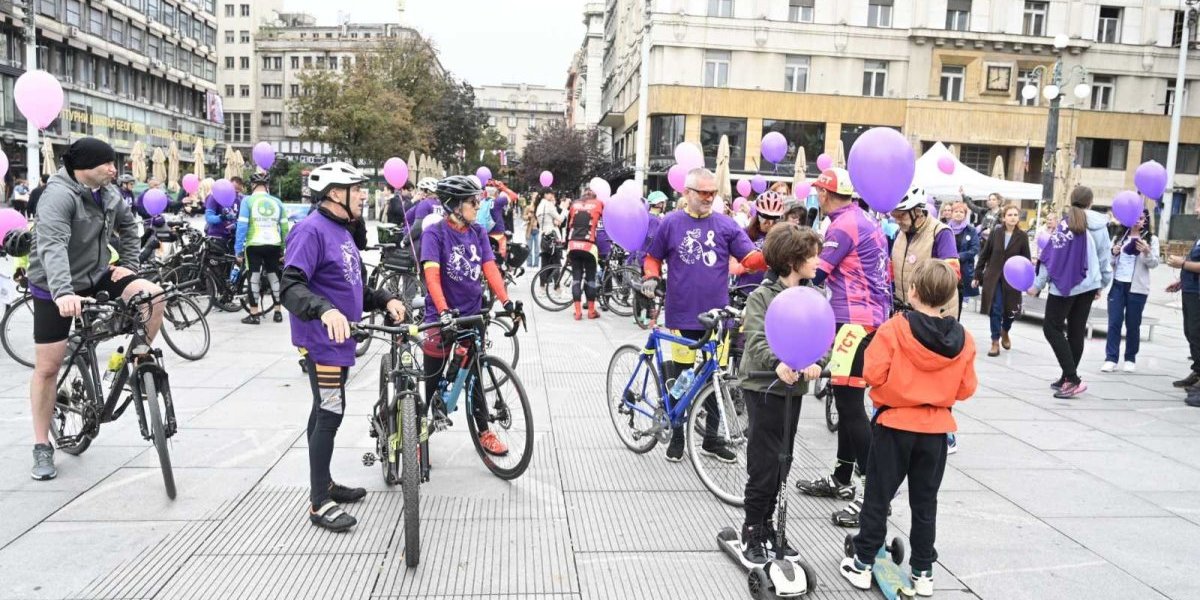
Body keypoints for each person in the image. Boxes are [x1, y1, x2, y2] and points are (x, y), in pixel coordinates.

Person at [24, 137, 164, 481]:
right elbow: (52, 244)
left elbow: (130, 227)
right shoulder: (58, 195)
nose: (114, 169)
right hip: (53, 286)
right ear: (84, 166)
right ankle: (42, 445)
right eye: (107, 163)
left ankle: (139, 354)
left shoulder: (110, 193)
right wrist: (62, 292)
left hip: (97, 274)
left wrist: (129, 265)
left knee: (153, 296)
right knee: (48, 367)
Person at [279, 161, 407, 532]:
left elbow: (350, 287)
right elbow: (290, 286)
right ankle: (319, 502)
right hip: (322, 339)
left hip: (341, 338)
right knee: (331, 411)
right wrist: (325, 310)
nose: (364, 194)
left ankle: (325, 482)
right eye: (357, 188)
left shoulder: (341, 230)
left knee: (324, 410)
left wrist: (384, 299)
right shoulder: (310, 230)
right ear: (336, 193)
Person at [840, 260, 977, 597]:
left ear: (913, 291)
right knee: (924, 502)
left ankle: (863, 564)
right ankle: (923, 572)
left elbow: (873, 373)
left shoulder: (894, 329)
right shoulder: (964, 338)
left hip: (895, 424)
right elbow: (966, 389)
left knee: (877, 496)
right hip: (936, 431)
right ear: (948, 297)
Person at [641, 167, 766, 462]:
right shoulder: (670, 223)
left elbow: (749, 258)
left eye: (714, 193)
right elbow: (652, 257)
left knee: (716, 379)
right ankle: (676, 434)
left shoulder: (726, 225)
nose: (710, 198)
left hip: (717, 318)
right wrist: (650, 275)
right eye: (704, 193)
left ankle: (711, 439)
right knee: (680, 378)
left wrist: (776, 253)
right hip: (680, 315)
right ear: (687, 193)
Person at [794, 168, 892, 528]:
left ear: (824, 193)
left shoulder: (842, 225)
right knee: (843, 398)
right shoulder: (863, 218)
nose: (817, 196)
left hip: (855, 321)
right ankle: (842, 477)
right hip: (865, 318)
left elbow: (817, 273)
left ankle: (873, 496)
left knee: (850, 406)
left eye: (819, 190)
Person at [738, 223, 825, 564]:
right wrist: (777, 362)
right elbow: (757, 338)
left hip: (793, 390)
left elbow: (822, 336)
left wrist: (818, 362)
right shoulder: (762, 297)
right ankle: (752, 529)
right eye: (812, 255)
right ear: (792, 260)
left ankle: (770, 525)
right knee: (764, 464)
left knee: (783, 462)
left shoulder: (812, 296)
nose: (818, 261)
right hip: (763, 386)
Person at [419, 175, 522, 457]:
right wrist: (442, 311)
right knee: (432, 380)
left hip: (472, 314)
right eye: (472, 201)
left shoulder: (477, 232)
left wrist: (507, 301)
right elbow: (432, 276)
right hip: (441, 316)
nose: (478, 205)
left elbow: (490, 268)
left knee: (474, 374)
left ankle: (485, 431)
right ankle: (418, 433)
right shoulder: (434, 234)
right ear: (454, 206)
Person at [1029, 186, 1113, 399]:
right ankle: (1068, 376)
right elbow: (1105, 258)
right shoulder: (1101, 226)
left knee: (1052, 328)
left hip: (1064, 285)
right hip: (1088, 283)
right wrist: (1100, 284)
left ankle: (1072, 378)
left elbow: (1051, 257)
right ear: (1091, 202)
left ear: (1071, 201)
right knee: (1076, 330)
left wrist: (1038, 284)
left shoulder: (1065, 224)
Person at [1103, 209, 1160, 373]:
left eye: (1141, 218)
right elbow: (1110, 262)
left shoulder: (1151, 239)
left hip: (1137, 288)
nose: (1137, 221)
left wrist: (1146, 251)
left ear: (1146, 221)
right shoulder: (1119, 237)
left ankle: (1130, 358)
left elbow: (1154, 264)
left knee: (1133, 324)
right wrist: (1113, 253)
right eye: (1134, 218)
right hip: (1118, 284)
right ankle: (1111, 358)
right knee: (1114, 322)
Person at [890, 187, 960, 317]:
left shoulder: (941, 233)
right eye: (894, 216)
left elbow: (952, 274)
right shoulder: (899, 233)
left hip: (935, 314)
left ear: (918, 211)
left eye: (902, 215)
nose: (897, 221)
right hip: (906, 311)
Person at [974, 203, 1030, 357]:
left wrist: (1027, 281)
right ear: (1004, 218)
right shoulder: (995, 233)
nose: (1013, 218)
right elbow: (985, 254)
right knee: (996, 308)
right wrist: (977, 274)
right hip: (994, 277)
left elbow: (1026, 260)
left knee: (1011, 310)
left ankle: (1005, 330)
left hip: (1013, 279)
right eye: (1010, 215)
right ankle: (994, 341)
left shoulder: (1022, 236)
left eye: (1015, 215)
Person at [235, 173, 290, 325]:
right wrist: (284, 249)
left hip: (254, 244)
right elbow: (285, 227)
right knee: (274, 276)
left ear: (252, 186)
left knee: (254, 277)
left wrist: (238, 249)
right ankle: (278, 312)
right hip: (274, 244)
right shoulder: (277, 202)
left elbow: (242, 226)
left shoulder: (248, 201)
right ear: (267, 186)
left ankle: (254, 314)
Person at [1166, 225, 1200, 405]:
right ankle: (1197, 372)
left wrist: (1183, 264)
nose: (1196, 209)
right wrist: (1181, 280)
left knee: (1197, 333)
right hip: (1191, 289)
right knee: (1191, 332)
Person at [731, 191, 786, 289]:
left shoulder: (784, 237)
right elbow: (731, 267)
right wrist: (746, 266)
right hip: (746, 290)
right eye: (764, 218)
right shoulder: (743, 234)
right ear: (757, 215)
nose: (769, 223)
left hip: (773, 291)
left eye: (774, 219)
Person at [566, 189, 605, 320]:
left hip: (573, 245)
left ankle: (577, 312)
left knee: (576, 277)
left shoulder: (574, 204)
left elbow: (568, 225)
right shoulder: (599, 203)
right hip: (589, 245)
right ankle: (591, 311)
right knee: (590, 278)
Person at [947, 202, 979, 318]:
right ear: (951, 213)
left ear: (965, 214)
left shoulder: (971, 230)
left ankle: (956, 322)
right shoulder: (945, 228)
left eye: (962, 212)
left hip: (963, 270)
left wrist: (958, 256)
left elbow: (975, 249)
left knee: (958, 299)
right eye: (956, 211)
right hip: (947, 268)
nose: (959, 214)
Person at [204, 177, 241, 254]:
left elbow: (241, 220)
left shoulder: (239, 199)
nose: (235, 194)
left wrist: (235, 225)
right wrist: (222, 217)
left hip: (232, 238)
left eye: (238, 192)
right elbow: (209, 218)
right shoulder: (214, 197)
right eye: (234, 191)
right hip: (216, 236)